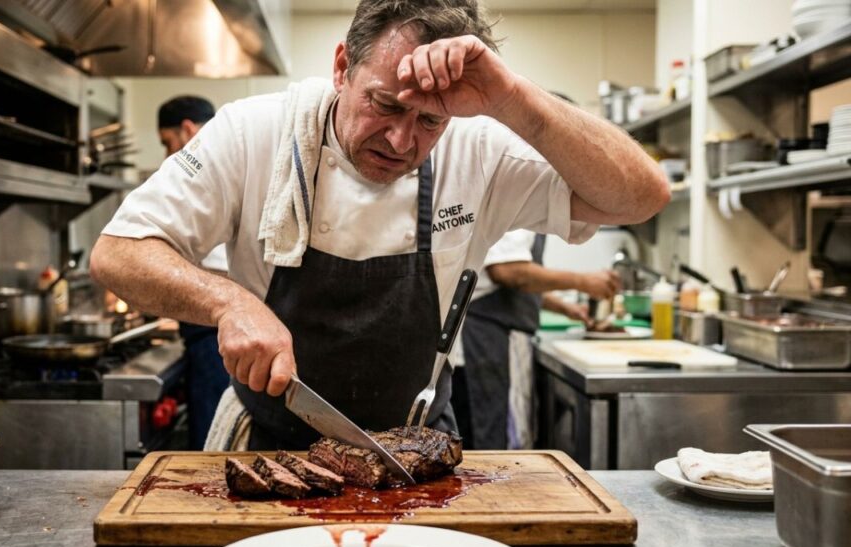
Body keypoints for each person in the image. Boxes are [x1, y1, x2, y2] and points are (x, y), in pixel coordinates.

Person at [90, 0, 670, 452]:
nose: (401, 141)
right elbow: (118, 253)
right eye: (386, 105)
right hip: (269, 447)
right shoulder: (251, 133)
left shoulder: (480, 151)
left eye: (430, 122)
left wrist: (511, 96)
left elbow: (641, 197)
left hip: (417, 453)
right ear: (342, 67)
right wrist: (228, 303)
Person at [450, 229, 621, 450]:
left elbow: (507, 279)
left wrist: (565, 308)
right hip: (484, 343)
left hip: (494, 339)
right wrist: (582, 281)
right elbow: (508, 271)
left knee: (498, 441)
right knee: (490, 445)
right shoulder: (515, 211)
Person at [157, 96, 231, 449]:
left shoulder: (200, 171)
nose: (167, 152)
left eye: (166, 141)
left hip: (211, 330)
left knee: (211, 441)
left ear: (187, 129)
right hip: (225, 324)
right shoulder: (235, 160)